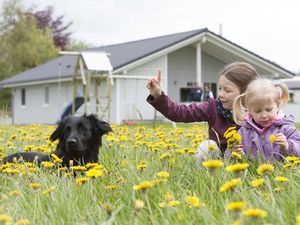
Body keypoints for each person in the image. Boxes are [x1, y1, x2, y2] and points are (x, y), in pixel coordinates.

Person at [146, 61, 258, 161]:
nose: (220, 94)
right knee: (207, 146)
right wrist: (157, 95)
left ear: (246, 93)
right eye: (220, 88)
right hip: (217, 162)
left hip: (249, 162)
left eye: (227, 90)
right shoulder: (213, 107)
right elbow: (180, 113)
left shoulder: (259, 114)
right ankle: (206, 176)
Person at [227, 78, 300, 161]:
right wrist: (233, 152)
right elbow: (228, 159)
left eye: (268, 109)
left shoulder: (286, 128)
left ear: (277, 105)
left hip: (282, 173)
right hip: (254, 173)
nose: (264, 115)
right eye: (258, 111)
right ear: (249, 110)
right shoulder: (244, 131)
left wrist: (288, 146)